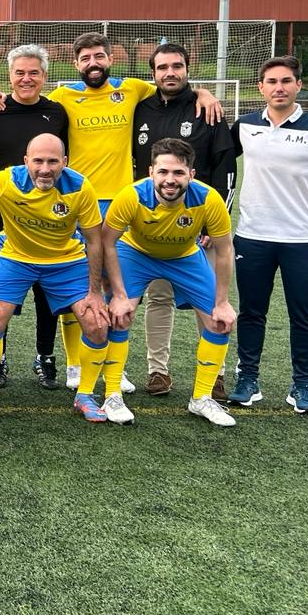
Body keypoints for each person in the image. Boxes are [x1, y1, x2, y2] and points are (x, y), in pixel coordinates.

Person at [27, 32, 220, 398]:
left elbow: (172, 87)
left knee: (119, 291)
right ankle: (76, 364)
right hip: (78, 201)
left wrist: (204, 93)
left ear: (111, 58)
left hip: (121, 203)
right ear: (75, 64)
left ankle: (115, 368)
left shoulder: (132, 89)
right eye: (85, 58)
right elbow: (31, 100)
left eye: (99, 56)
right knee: (81, 284)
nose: (93, 63)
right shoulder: (65, 96)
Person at [0, 134, 115, 424]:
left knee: (96, 323)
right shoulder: (5, 181)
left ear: (64, 163)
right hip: (16, 259)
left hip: (66, 262)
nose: (45, 169)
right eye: (38, 161)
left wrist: (95, 292)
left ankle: (85, 394)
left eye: (53, 161)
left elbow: (95, 242)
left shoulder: (80, 186)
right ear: (26, 162)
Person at [228, 56, 308, 415]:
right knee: (251, 312)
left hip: (303, 240)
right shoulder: (244, 126)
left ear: (298, 85)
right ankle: (247, 379)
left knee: (305, 316)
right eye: (272, 81)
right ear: (260, 88)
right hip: (252, 237)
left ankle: (302, 384)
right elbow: (216, 162)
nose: (279, 87)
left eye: (286, 81)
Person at [102, 138, 239, 428]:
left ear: (191, 174)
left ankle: (201, 398)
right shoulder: (131, 196)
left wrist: (223, 301)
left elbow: (225, 249)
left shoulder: (208, 199)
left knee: (219, 321)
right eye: (163, 172)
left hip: (184, 256)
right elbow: (107, 242)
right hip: (136, 253)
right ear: (151, 171)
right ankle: (112, 394)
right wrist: (119, 294)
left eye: (178, 173)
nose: (170, 180)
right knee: (120, 315)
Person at [130, 43, 237, 398]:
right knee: (159, 299)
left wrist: (211, 222)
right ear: (153, 73)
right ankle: (157, 371)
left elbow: (226, 169)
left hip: (198, 225)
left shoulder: (207, 109)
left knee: (207, 301)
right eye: (162, 67)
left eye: (177, 66)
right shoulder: (140, 108)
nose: (170, 72)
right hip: (155, 225)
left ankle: (215, 374)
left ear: (188, 69)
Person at [0, 44, 71, 391]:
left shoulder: (58, 112)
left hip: (50, 213)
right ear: (10, 76)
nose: (26, 78)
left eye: (33, 72)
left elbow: (66, 160)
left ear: (44, 76)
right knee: (4, 289)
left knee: (46, 288)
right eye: (19, 72)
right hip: (1, 214)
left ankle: (45, 356)